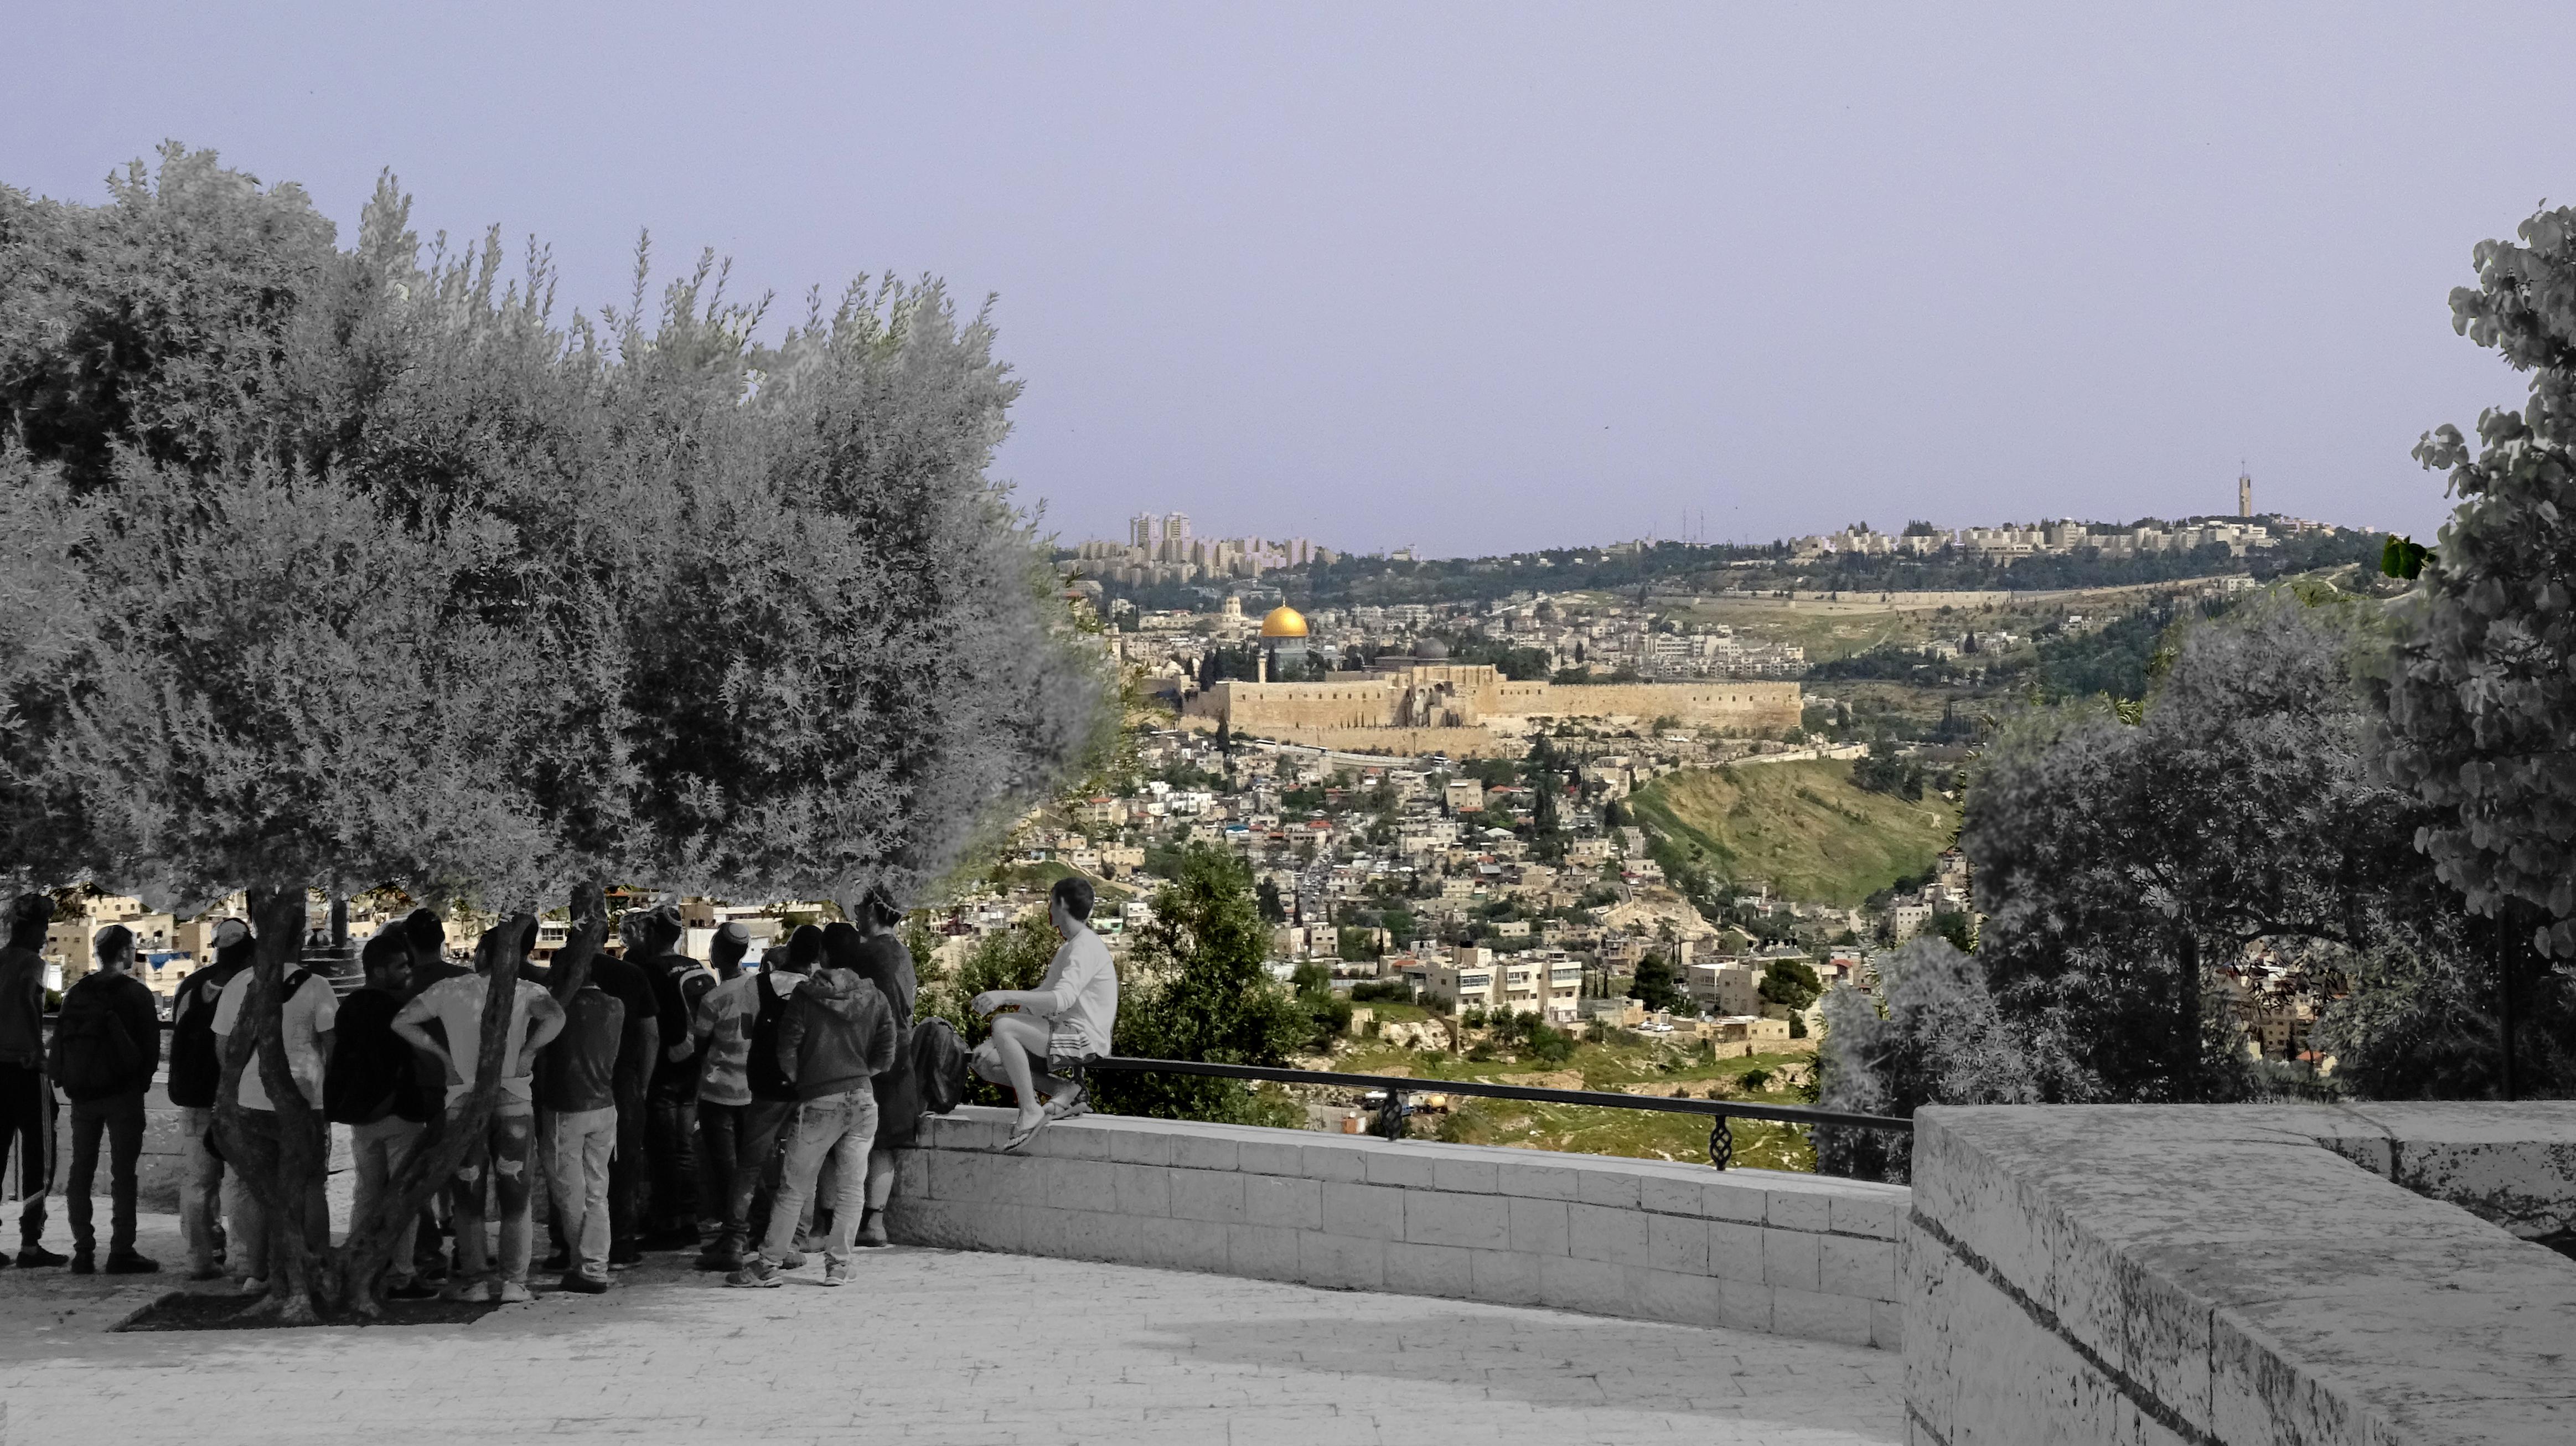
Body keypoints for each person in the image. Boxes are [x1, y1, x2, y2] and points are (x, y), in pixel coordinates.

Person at [392, 918, 565, 1303]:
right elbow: (556, 1017)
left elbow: (403, 1021)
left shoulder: (449, 990)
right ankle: (515, 1281)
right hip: (515, 1095)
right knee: (514, 1192)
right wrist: (527, 1053)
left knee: (468, 1194)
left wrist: (443, 1058)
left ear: (482, 954)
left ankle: (475, 1280)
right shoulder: (528, 991)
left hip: (461, 1098)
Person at [727, 932, 898, 1288]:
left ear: (824, 953)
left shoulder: (806, 996)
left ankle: (768, 1263)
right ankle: (839, 1265)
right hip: (863, 1100)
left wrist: (806, 1079)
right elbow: (886, 1057)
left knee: (794, 1186)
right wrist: (857, 1075)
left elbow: (787, 1049)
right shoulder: (876, 998)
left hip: (819, 1098)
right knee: (853, 1187)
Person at [211, 931, 339, 1294]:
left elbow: (224, 1045)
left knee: (258, 1189)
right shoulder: (316, 986)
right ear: (298, 943)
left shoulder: (239, 984)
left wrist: (237, 1086)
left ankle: (258, 1272)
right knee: (312, 1185)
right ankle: (318, 1264)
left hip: (252, 1097)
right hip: (305, 1097)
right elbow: (333, 1043)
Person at [324, 932, 436, 1300]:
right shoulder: (395, 1010)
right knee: (403, 1196)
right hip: (401, 1113)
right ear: (378, 970)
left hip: (363, 1116)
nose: (407, 972)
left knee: (366, 1195)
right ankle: (403, 1274)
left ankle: (359, 1266)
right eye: (400, 966)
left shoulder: (349, 1007)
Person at [971, 877, 1119, 1151]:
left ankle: (1030, 1110)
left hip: (1083, 1038)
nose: (1048, 908)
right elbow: (1042, 998)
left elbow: (1062, 999)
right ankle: (1062, 1090)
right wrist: (994, 1044)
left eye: (1051, 901)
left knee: (1003, 1025)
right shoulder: (1072, 946)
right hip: (1065, 1032)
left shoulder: (1084, 946)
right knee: (988, 1063)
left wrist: (1004, 997)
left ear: (1062, 904)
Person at [48, 925, 162, 1274]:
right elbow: (151, 1050)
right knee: (123, 1174)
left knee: (80, 1170)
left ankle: (83, 1251)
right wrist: (138, 1083)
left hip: (83, 1095)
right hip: (123, 1095)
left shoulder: (77, 992)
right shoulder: (136, 994)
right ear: (125, 951)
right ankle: (121, 1251)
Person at [707, 926, 821, 1273]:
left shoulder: (755, 986)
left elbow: (745, 1032)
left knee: (750, 1166)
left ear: (787, 950)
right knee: (804, 1169)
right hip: (807, 1086)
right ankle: (793, 1242)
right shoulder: (818, 990)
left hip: (764, 1086)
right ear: (818, 958)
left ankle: (734, 1241)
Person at [165, 920, 252, 1279]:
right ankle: (247, 1261)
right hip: (238, 1098)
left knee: (198, 1182)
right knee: (239, 1183)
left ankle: (199, 1259)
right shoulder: (249, 985)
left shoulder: (191, 985)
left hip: (195, 1097)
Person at [536, 950, 623, 1295]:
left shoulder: (556, 1009)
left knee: (570, 1194)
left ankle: (586, 1266)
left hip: (565, 1107)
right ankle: (596, 1264)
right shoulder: (615, 1005)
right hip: (604, 1104)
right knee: (597, 1191)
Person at [837, 891, 917, 1248]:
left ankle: (831, 1225)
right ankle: (876, 1223)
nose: (855, 913)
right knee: (885, 1145)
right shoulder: (903, 953)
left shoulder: (864, 954)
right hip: (902, 1057)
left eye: (859, 907)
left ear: (872, 909)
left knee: (845, 1141)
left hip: (865, 1059)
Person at [638, 905, 715, 1248]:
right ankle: (688, 1221)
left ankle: (666, 1225)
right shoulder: (695, 966)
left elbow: (651, 1027)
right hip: (693, 1068)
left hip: (664, 1071)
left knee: (662, 1151)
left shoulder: (651, 970)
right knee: (684, 1149)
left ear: (653, 934)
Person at [591, 915, 660, 1266]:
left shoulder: (559, 974)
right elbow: (651, 1034)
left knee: (574, 1165)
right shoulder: (631, 976)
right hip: (624, 1077)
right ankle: (621, 1243)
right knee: (625, 1164)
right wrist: (644, 1083)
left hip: (576, 1079)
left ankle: (570, 1244)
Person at [0, 894, 63, 1269]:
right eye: (44, 929)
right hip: (24, 1067)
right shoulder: (32, 964)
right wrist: (38, 1049)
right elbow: (29, 999)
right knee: (39, 1155)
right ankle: (30, 1242)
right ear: (34, 928)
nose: (46, 937)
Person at [688, 921, 754, 1269]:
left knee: (725, 1171)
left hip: (718, 1095)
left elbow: (700, 1045)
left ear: (715, 953)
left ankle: (732, 1244)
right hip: (753, 1093)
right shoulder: (758, 987)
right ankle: (749, 1235)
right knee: (749, 1167)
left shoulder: (713, 998)